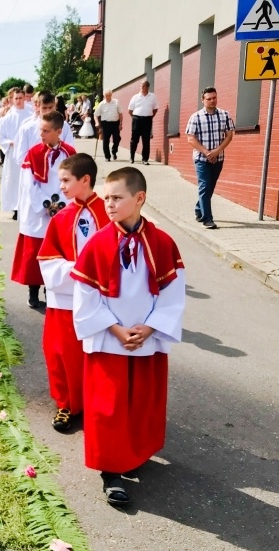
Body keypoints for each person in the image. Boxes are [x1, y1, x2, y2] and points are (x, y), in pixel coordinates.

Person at [72, 167, 185, 506]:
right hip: (110, 340)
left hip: (146, 340)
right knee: (108, 408)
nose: (109, 204)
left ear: (140, 198)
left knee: (139, 404)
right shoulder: (97, 243)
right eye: (106, 197)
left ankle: (134, 453)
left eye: (117, 197)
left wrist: (149, 328)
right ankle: (111, 473)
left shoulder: (162, 242)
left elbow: (173, 293)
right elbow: (86, 295)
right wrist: (117, 329)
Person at [37, 153, 108, 432]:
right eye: (60, 181)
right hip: (65, 300)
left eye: (66, 180)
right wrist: (81, 269)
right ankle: (66, 403)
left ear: (85, 180)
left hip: (102, 298)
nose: (62, 186)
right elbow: (48, 261)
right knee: (60, 353)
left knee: (94, 356)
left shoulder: (110, 213)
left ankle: (94, 404)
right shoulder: (62, 218)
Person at [13, 111, 75, 308]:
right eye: (40, 129)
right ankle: (33, 290)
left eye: (46, 131)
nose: (41, 134)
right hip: (39, 210)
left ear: (59, 132)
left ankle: (52, 290)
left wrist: (61, 205)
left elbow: (75, 181)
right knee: (35, 251)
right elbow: (28, 184)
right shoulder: (33, 154)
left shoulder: (71, 154)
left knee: (57, 251)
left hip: (62, 209)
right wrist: (46, 205)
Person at [185, 87, 235, 230]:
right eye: (209, 99)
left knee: (209, 188)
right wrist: (207, 153)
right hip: (201, 159)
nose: (212, 101)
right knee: (205, 186)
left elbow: (229, 135)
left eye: (214, 98)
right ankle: (208, 219)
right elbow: (191, 139)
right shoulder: (196, 117)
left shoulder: (225, 115)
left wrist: (217, 151)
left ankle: (199, 209)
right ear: (203, 100)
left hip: (218, 158)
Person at [0, 87, 34, 216]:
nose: (18, 101)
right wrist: (10, 142)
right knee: (13, 180)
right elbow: (0, 137)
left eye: (20, 98)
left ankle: (27, 205)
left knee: (27, 179)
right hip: (13, 154)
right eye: (16, 98)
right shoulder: (8, 117)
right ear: (12, 99)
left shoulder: (31, 115)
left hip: (28, 153)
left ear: (25, 98)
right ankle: (15, 207)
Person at [127, 80, 158, 165]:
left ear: (147, 87)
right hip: (137, 119)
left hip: (147, 120)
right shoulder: (135, 97)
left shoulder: (152, 96)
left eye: (143, 86)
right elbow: (130, 110)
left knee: (146, 140)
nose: (141, 88)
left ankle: (145, 159)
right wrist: (135, 118)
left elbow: (155, 108)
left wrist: (150, 116)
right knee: (134, 139)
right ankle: (132, 157)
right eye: (141, 86)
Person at [94, 89, 122, 161]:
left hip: (115, 123)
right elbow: (96, 115)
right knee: (106, 140)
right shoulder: (101, 104)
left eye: (109, 95)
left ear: (111, 95)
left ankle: (114, 151)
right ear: (104, 96)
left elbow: (120, 113)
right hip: (106, 124)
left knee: (117, 138)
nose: (108, 97)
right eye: (106, 96)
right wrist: (97, 122)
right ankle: (107, 156)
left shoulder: (116, 102)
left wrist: (120, 124)